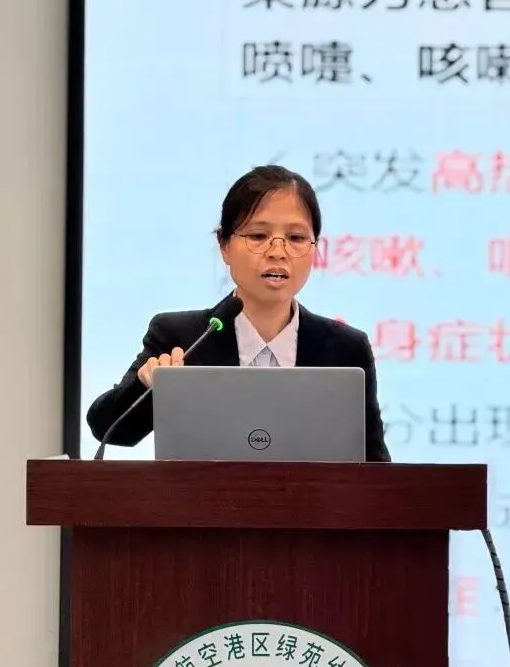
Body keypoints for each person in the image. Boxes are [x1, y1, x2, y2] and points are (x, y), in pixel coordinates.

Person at [86, 164, 391, 462]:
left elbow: (377, 467)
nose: (277, 252)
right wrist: (148, 385)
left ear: (314, 248)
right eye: (258, 236)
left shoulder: (345, 349)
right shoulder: (183, 337)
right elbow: (107, 428)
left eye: (296, 238)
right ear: (224, 246)